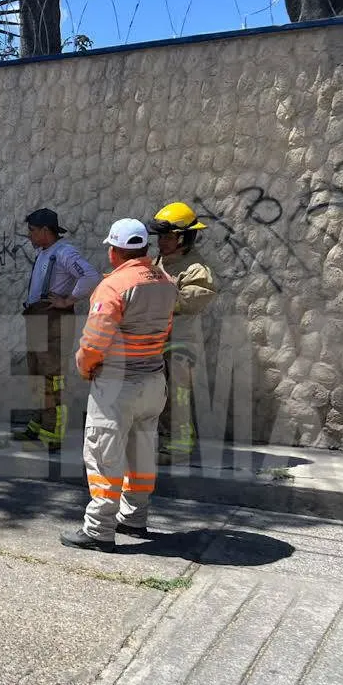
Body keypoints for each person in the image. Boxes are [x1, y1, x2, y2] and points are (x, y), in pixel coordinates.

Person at [60, 218, 178, 551]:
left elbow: (95, 341)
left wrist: (85, 367)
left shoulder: (114, 286)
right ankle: (135, 519)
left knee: (103, 455)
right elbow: (165, 328)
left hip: (117, 384)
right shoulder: (166, 281)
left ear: (115, 251)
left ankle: (98, 531)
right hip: (154, 380)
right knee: (141, 453)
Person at [14, 208, 101, 450]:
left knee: (51, 378)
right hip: (39, 318)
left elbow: (91, 276)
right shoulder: (46, 252)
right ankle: (38, 424)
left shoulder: (64, 252)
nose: (29, 236)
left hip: (53, 320)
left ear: (44, 230)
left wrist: (68, 300)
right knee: (36, 374)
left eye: (32, 231)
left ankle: (53, 433)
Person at [147, 201, 218, 463]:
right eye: (161, 237)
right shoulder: (157, 262)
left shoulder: (195, 269)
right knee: (159, 394)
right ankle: (165, 439)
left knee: (178, 394)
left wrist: (158, 297)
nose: (162, 242)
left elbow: (193, 299)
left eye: (168, 237)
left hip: (180, 343)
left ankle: (179, 444)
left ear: (184, 237)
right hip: (155, 340)